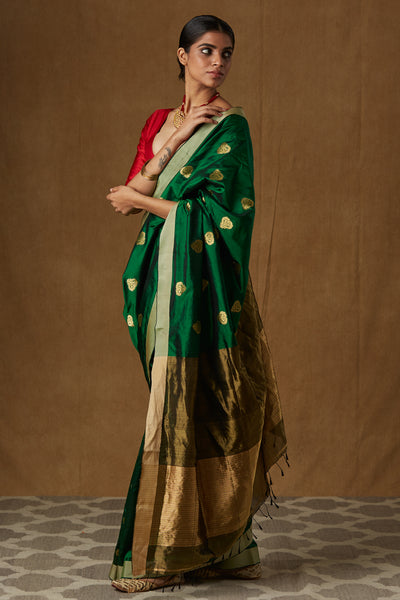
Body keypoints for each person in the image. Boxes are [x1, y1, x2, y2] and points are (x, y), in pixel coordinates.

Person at [106, 14, 287, 594]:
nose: (218, 62)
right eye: (206, 51)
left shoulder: (235, 128)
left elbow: (224, 221)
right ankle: (221, 552)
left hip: (207, 290)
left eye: (226, 53)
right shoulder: (162, 122)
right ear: (182, 56)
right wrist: (176, 140)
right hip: (163, 284)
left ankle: (173, 555)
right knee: (176, 405)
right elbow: (129, 199)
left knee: (198, 406)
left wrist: (147, 198)